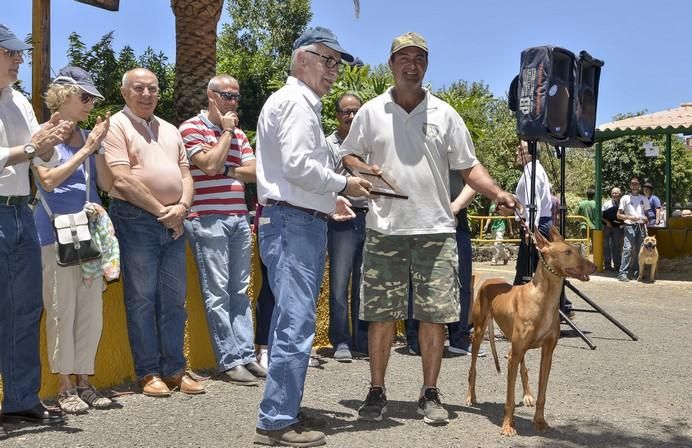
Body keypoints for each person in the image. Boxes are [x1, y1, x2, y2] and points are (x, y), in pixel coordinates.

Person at [340, 32, 519, 426]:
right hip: (384, 229)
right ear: (391, 65)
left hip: (436, 231)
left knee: (434, 316)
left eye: (419, 58)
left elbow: (468, 167)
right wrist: (363, 168)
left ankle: (430, 393)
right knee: (381, 315)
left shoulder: (445, 113)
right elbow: (347, 152)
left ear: (426, 65)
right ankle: (376, 390)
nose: (411, 64)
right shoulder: (370, 112)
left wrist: (497, 191)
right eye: (403, 57)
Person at [253, 27, 370, 447]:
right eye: (329, 60)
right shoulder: (297, 104)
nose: (334, 71)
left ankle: (285, 407)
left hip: (295, 219)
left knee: (295, 320)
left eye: (337, 63)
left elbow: (295, 171)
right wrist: (344, 187)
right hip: (292, 223)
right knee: (296, 322)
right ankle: (277, 422)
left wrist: (327, 200)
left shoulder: (297, 104)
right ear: (302, 58)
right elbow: (300, 166)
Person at [103, 68, 204, 397]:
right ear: (124, 93)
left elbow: (187, 176)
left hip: (174, 221)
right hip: (136, 220)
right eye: (139, 88)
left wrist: (182, 209)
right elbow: (121, 179)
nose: (146, 94)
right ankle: (148, 372)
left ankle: (175, 368)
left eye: (153, 88)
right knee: (142, 299)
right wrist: (163, 212)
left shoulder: (171, 129)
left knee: (175, 300)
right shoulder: (115, 125)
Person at [0, 23, 72, 426]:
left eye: (19, 53)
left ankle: (20, 399)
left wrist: (48, 142)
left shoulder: (21, 102)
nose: (19, 60)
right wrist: (31, 147)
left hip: (20, 213)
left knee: (26, 310)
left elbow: (43, 162)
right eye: (10, 53)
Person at [32, 67, 114, 414]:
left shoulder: (88, 137)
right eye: (85, 97)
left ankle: (84, 381)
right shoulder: (43, 134)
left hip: (86, 234)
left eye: (93, 98)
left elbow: (108, 184)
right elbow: (47, 181)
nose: (90, 103)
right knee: (61, 311)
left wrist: (98, 149)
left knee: (89, 313)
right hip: (53, 235)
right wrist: (85, 152)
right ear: (63, 96)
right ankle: (64, 386)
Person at [179, 74, 265, 386]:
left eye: (235, 96)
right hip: (207, 217)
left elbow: (255, 173)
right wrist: (226, 134)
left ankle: (245, 355)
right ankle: (229, 360)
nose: (232, 101)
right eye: (226, 95)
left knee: (239, 291)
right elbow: (209, 164)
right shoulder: (191, 128)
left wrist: (229, 165)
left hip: (238, 217)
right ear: (211, 96)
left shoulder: (241, 134)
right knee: (217, 293)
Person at [406, 182, 489, 358]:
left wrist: (455, 207)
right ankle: (415, 339)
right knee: (419, 280)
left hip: (456, 216)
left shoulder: (462, 154)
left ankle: (460, 337)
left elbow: (473, 182)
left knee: (462, 282)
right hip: (423, 214)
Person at [326, 92, 369, 362]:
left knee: (364, 283)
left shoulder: (369, 143)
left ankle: (362, 341)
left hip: (370, 215)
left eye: (356, 111)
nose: (351, 116)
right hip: (342, 218)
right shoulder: (329, 144)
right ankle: (340, 339)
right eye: (346, 111)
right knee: (340, 283)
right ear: (337, 115)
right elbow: (325, 179)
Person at [510, 141, 573, 315]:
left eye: (520, 148)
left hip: (536, 225)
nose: (517, 151)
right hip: (540, 223)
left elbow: (534, 202)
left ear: (529, 153)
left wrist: (531, 229)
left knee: (527, 271)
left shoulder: (532, 170)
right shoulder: (534, 169)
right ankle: (562, 306)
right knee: (544, 271)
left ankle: (518, 313)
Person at [617, 176, 650, 282]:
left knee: (640, 250)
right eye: (633, 184)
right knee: (628, 249)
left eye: (636, 184)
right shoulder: (625, 198)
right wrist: (629, 217)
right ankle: (622, 273)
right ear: (630, 186)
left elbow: (647, 215)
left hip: (640, 226)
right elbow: (618, 215)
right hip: (629, 225)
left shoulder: (644, 199)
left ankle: (638, 273)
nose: (634, 186)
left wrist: (645, 219)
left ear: (639, 186)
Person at [601, 187, 624, 271]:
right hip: (607, 227)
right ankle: (607, 266)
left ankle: (617, 266)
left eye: (616, 193)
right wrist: (607, 222)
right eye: (613, 193)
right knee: (606, 246)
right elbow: (601, 215)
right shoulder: (607, 204)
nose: (614, 194)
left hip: (618, 228)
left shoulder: (622, 204)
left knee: (616, 246)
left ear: (620, 194)